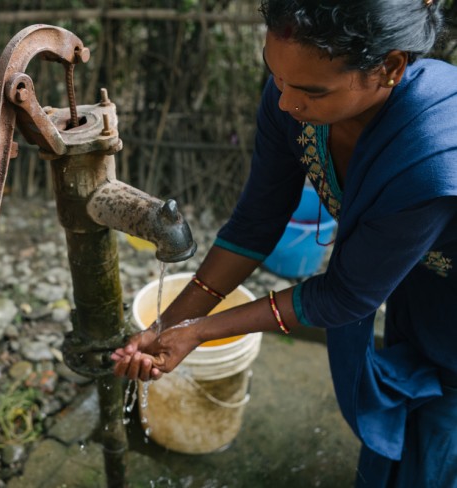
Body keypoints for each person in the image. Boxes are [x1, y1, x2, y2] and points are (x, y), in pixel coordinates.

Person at [112, 0, 457, 486]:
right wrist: (170, 323)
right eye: (276, 76)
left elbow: (343, 296)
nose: (285, 104)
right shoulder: (294, 95)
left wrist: (195, 334)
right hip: (420, 271)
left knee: (445, 409)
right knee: (415, 382)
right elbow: (255, 223)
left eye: (311, 91)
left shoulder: (432, 149)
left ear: (390, 67)